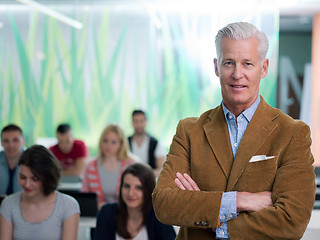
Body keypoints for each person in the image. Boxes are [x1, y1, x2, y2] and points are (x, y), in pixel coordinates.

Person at [152, 22, 316, 240]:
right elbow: (164, 204)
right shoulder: (189, 131)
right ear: (216, 67)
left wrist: (212, 217)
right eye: (229, 63)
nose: (237, 74)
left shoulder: (292, 134)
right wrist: (240, 200)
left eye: (247, 63)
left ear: (264, 68)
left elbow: (291, 221)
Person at [0, 145, 80, 240]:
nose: (27, 185)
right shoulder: (8, 204)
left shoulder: (68, 205)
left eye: (35, 179)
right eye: (22, 177)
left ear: (48, 178)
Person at [94, 163, 176, 240]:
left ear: (149, 190)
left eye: (138, 188)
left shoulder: (160, 217)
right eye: (127, 186)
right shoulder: (106, 213)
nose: (130, 193)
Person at [82, 124, 135, 210]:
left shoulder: (132, 165)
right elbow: (85, 196)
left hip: (125, 214)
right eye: (105, 141)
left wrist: (109, 207)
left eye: (113, 142)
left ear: (121, 144)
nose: (108, 146)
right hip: (98, 215)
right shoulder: (90, 166)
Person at [128, 110, 166, 177]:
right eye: (136, 121)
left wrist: (145, 176)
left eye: (141, 121)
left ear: (146, 122)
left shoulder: (156, 143)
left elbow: (161, 169)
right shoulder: (125, 143)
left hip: (150, 182)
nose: (139, 124)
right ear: (132, 123)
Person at [0, 124, 24, 196]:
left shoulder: (33, 162)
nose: (11, 145)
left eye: (15, 140)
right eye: (6, 141)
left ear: (23, 141)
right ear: (1, 142)